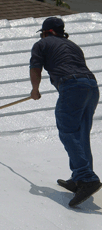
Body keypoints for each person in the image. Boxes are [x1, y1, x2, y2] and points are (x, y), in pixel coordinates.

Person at [29, 17, 102, 207]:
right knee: (80, 133)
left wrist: (35, 90)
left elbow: (36, 68)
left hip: (72, 86)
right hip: (91, 86)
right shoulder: (73, 45)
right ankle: (79, 178)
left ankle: (86, 178)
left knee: (68, 131)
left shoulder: (42, 44)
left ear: (46, 32)